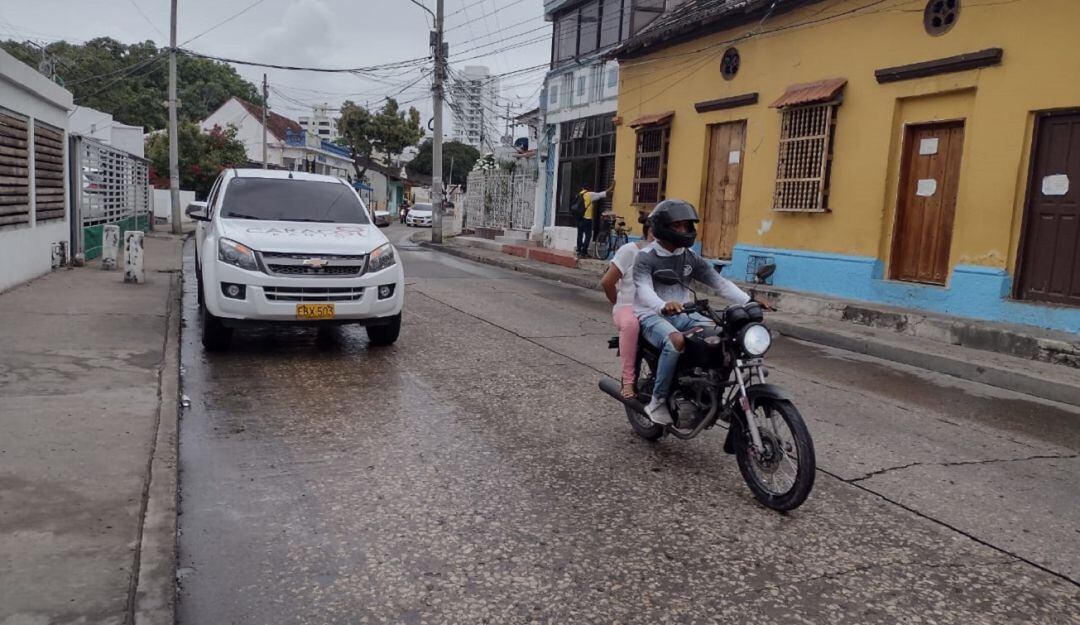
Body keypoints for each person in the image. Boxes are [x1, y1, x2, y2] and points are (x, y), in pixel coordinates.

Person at [633, 199, 751, 426]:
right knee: (675, 341)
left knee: (724, 339)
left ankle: (711, 394)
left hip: (686, 314)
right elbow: (645, 289)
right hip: (651, 315)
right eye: (677, 226)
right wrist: (662, 305)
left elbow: (720, 283)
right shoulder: (646, 257)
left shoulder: (689, 256)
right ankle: (657, 401)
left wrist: (749, 301)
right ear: (662, 227)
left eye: (687, 225)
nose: (684, 230)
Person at [599, 214, 653, 399]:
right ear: (650, 231)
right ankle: (628, 380)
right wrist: (619, 303)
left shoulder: (671, 254)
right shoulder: (629, 250)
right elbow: (607, 282)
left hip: (656, 310)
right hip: (628, 308)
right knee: (631, 325)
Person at [574, 179, 615, 258]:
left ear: (582, 187)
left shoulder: (578, 194)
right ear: (588, 187)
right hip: (587, 219)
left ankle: (579, 251)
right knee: (588, 236)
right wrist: (612, 187)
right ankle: (584, 252)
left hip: (579, 218)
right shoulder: (590, 194)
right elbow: (602, 194)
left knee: (580, 235)